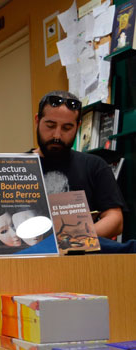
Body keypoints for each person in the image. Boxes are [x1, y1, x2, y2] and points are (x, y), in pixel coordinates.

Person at [31, 91, 136, 254]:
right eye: (50, 126)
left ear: (78, 127)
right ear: (37, 121)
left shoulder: (94, 165)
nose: (57, 135)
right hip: (27, 261)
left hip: (82, 263)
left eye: (67, 127)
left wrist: (74, 240)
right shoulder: (15, 167)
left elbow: (115, 220)